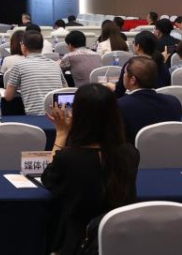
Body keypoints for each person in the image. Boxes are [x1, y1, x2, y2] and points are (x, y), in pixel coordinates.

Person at [41, 84, 139, 255]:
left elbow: (48, 178)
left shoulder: (70, 158)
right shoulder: (130, 153)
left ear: (79, 116)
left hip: (79, 243)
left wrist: (62, 134)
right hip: (122, 240)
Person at [115, 56, 182, 143]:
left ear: (132, 80)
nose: (123, 76)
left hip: (134, 151)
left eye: (125, 73)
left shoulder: (120, 106)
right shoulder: (174, 102)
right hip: (170, 150)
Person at [4, 31, 67, 116]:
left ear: (23, 46)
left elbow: (8, 97)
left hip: (35, 118)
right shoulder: (55, 64)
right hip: (58, 117)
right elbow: (65, 90)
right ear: (42, 47)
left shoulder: (18, 65)